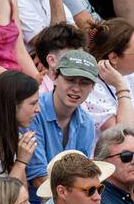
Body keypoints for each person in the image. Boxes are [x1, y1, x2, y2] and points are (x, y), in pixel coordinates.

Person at [26, 52, 102, 195]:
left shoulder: (87, 122)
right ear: (54, 77)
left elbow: (81, 173)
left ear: (92, 87)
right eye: (70, 80)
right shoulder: (34, 112)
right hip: (34, 202)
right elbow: (38, 177)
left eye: (84, 83)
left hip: (68, 200)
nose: (76, 88)